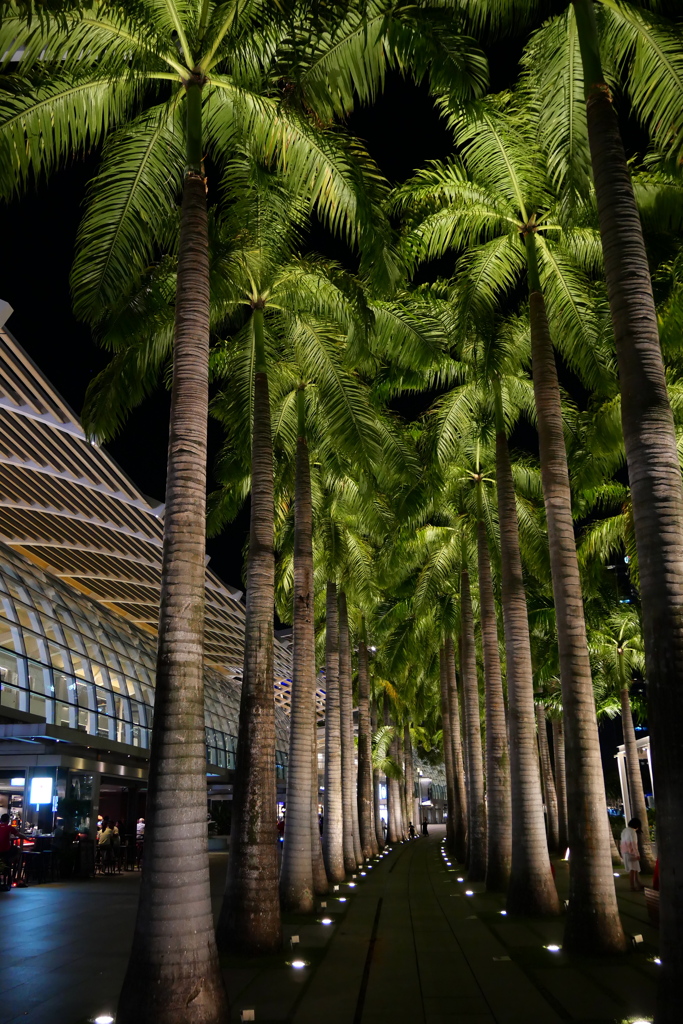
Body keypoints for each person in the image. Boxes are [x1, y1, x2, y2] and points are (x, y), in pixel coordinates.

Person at [621, 817, 644, 891]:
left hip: (625, 852)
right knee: (633, 870)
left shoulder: (624, 830)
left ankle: (638, 883)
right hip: (631, 852)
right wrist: (637, 854)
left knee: (634, 869)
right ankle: (632, 886)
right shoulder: (632, 832)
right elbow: (634, 844)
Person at [0, 812, 22, 887]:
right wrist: (27, 838)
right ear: (8, 820)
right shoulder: (9, 827)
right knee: (17, 850)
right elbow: (19, 835)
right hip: (5, 851)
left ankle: (7, 866)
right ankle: (11, 866)